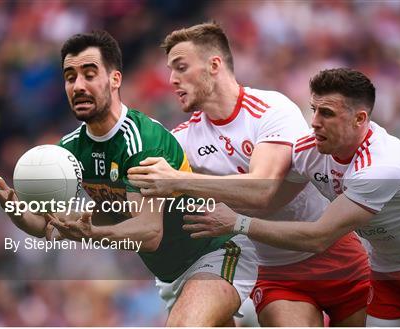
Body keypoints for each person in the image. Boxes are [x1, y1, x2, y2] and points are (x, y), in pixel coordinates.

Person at [0, 30, 258, 327]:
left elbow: (150, 233)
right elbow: (49, 226)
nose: (78, 85)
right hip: (171, 275)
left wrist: (90, 234)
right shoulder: (69, 151)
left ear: (115, 79)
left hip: (217, 251)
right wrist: (18, 211)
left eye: (90, 74)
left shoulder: (142, 141)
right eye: (70, 77)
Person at [183, 68, 400, 327]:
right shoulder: (307, 152)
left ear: (359, 119)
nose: (314, 121)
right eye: (314, 109)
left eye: (327, 113)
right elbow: (268, 200)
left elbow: (317, 237)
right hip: (385, 269)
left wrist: (236, 222)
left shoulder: (381, 165)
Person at [127, 23, 370, 326]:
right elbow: (144, 194)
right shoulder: (183, 141)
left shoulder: (270, 109)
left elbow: (262, 191)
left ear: (214, 65)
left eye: (181, 67)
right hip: (273, 273)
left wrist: (177, 179)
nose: (172, 80)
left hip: (334, 251)